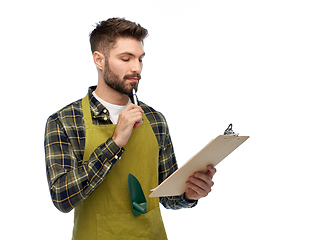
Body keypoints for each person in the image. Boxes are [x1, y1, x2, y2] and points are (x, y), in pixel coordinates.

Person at [44, 17, 216, 240]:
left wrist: (189, 194)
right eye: (125, 58)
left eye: (140, 59)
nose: (136, 68)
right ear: (99, 59)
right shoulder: (65, 121)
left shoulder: (155, 120)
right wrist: (114, 142)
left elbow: (168, 198)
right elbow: (62, 198)